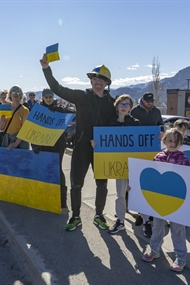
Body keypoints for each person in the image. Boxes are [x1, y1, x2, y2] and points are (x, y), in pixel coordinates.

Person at [40, 54, 116, 231]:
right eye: (96, 78)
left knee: (102, 185)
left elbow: (121, 123)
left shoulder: (112, 103)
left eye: (102, 79)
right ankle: (75, 216)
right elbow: (57, 88)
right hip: (81, 148)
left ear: (107, 83)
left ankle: (99, 215)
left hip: (102, 151)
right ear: (91, 80)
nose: (98, 82)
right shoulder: (81, 96)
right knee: (76, 184)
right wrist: (46, 69)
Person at [142, 128, 190, 272]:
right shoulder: (158, 157)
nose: (173, 144)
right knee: (157, 226)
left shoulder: (183, 159)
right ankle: (154, 249)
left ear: (180, 143)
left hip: (178, 200)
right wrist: (136, 189)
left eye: (176, 141)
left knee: (177, 229)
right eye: (170, 141)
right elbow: (150, 177)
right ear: (164, 141)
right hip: (160, 199)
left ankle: (181, 256)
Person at [98, 94, 140, 234]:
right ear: (117, 106)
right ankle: (120, 221)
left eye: (127, 104)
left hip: (133, 164)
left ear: (130, 108)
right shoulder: (110, 123)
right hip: (119, 165)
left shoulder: (135, 123)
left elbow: (142, 142)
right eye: (121, 104)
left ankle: (146, 222)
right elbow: (105, 141)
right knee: (120, 195)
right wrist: (96, 143)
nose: (124, 107)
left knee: (139, 194)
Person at [32, 88, 75, 208]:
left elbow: (73, 114)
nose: (49, 99)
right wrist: (34, 144)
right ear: (43, 98)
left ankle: (62, 199)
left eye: (50, 97)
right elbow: (33, 128)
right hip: (43, 143)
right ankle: (48, 196)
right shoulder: (38, 111)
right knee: (46, 169)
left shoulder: (59, 109)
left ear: (53, 97)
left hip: (58, 143)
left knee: (57, 169)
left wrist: (66, 108)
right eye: (46, 97)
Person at [130, 92, 164, 237]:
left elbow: (161, 125)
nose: (150, 103)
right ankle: (139, 213)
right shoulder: (135, 111)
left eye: (151, 101)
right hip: (136, 150)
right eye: (147, 101)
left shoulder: (157, 111)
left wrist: (162, 132)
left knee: (148, 183)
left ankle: (147, 214)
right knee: (134, 184)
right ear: (142, 100)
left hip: (151, 151)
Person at [0, 86, 30, 150]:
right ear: (10, 94)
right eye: (13, 92)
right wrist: (3, 121)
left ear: (21, 95)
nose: (15, 93)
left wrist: (15, 144)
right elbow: (1, 128)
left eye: (18, 92)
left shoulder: (25, 110)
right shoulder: (5, 108)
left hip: (20, 143)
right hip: (6, 141)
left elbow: (25, 130)